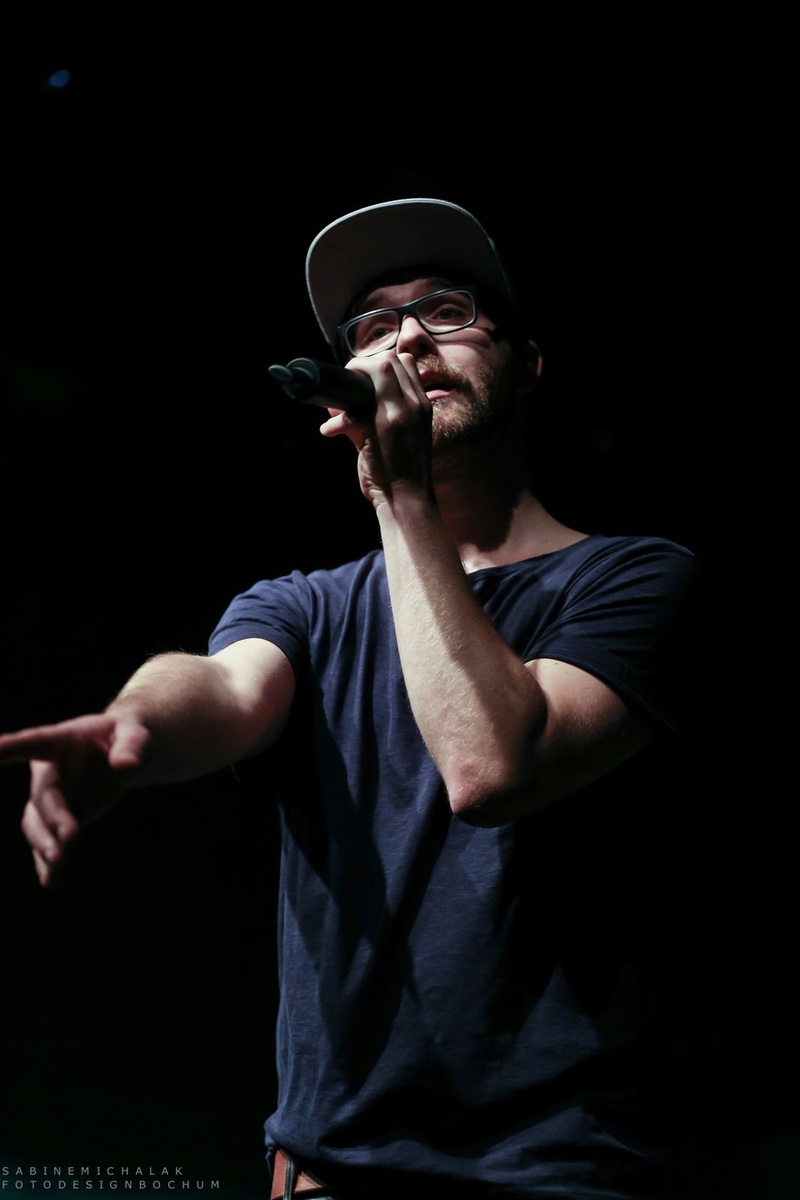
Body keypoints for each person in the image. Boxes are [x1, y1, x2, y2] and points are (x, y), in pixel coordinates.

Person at [0, 198, 698, 1199]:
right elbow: (221, 687)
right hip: (328, 1178)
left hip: (555, 1172)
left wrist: (401, 495)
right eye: (374, 328)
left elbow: (490, 766)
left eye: (446, 311)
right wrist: (132, 726)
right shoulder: (305, 605)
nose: (407, 340)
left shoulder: (632, 580)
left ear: (528, 363)